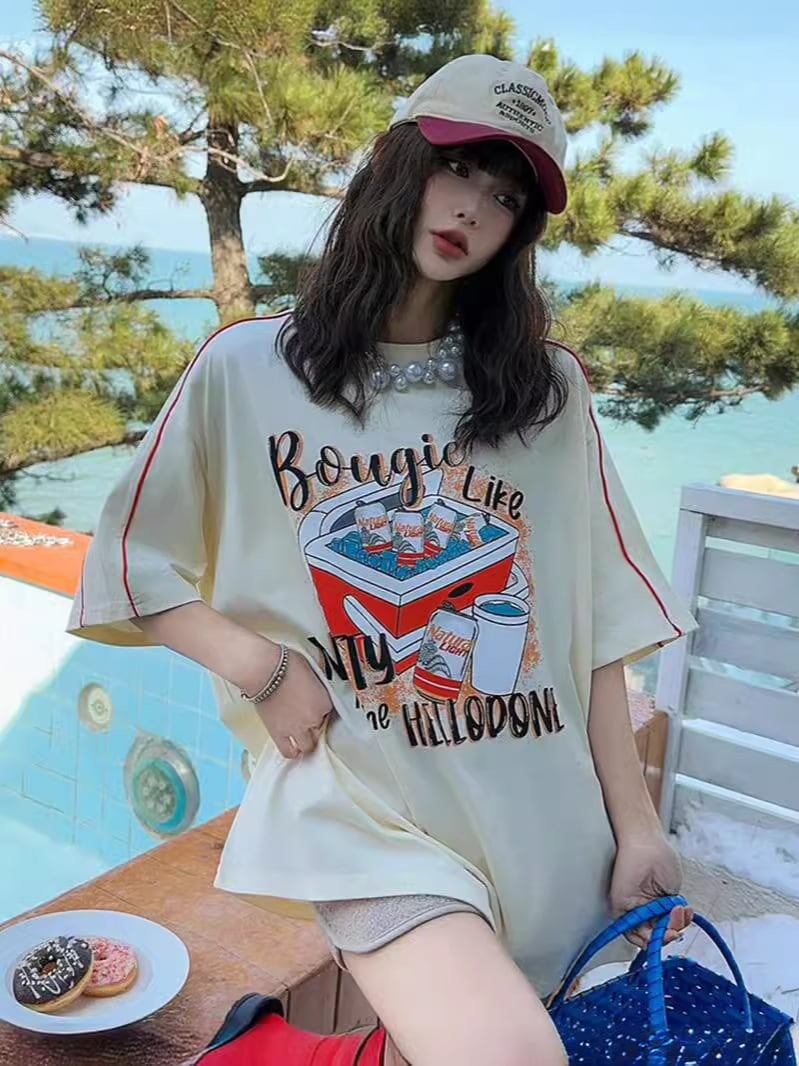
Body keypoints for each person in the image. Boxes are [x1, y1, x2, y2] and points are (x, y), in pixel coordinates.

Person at [67, 52, 697, 1066]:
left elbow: (596, 625)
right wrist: (262, 669)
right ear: (399, 164)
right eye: (458, 168)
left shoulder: (543, 394)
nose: (472, 209)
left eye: (506, 197)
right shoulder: (248, 367)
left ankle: (265, 1047)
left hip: (534, 803)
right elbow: (133, 565)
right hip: (361, 804)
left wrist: (636, 827)